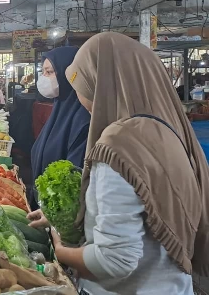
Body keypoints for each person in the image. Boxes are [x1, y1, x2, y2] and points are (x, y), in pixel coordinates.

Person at [28, 32, 209, 294]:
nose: (79, 93)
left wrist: (61, 249)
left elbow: (114, 260)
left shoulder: (118, 147)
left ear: (102, 83)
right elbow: (143, 210)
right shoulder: (166, 130)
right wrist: (66, 217)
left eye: (81, 82)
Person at [30, 47, 90, 205]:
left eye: (49, 72)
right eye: (42, 72)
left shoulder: (83, 120)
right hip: (45, 210)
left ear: (67, 74)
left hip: (58, 217)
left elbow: (73, 180)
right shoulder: (59, 109)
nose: (43, 78)